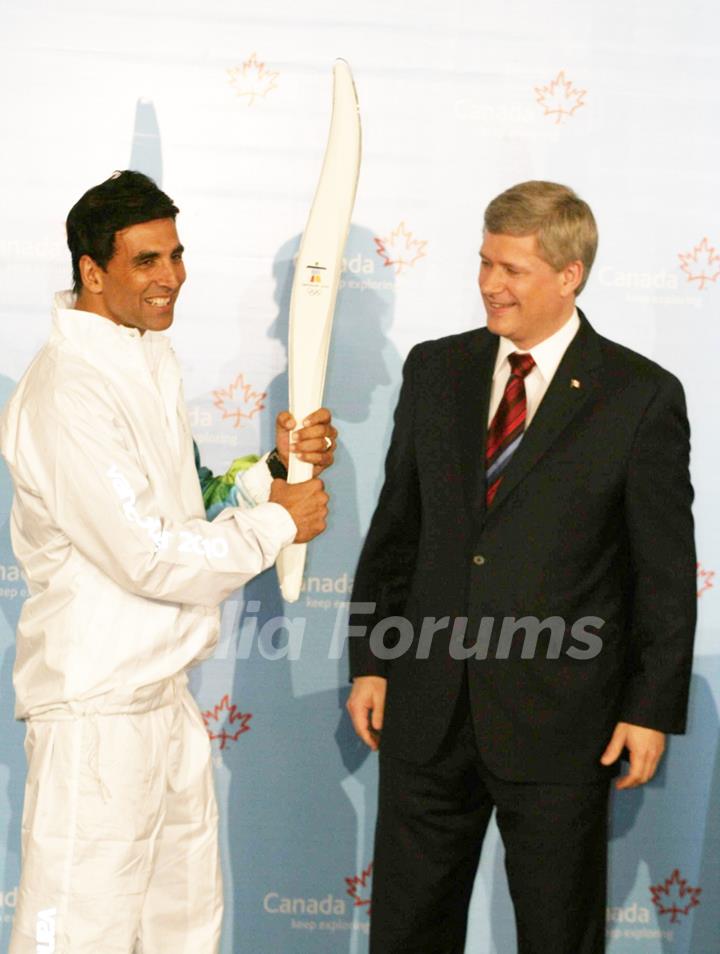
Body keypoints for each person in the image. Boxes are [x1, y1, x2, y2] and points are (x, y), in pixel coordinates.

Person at [346, 180, 697, 954]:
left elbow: (665, 575)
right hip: (427, 708)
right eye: (484, 263)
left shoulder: (639, 397)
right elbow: (396, 530)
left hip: (561, 722)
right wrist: (371, 658)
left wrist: (648, 708)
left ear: (569, 275)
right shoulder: (435, 371)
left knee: (556, 934)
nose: (490, 285)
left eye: (513, 270)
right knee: (407, 930)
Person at [0, 170, 335, 954]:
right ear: (93, 271)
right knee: (78, 939)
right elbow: (148, 555)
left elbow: (186, 509)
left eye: (176, 256)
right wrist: (275, 526)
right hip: (96, 716)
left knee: (182, 935)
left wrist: (271, 473)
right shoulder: (67, 392)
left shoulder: (148, 358)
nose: (171, 277)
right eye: (147, 260)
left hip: (162, 703)